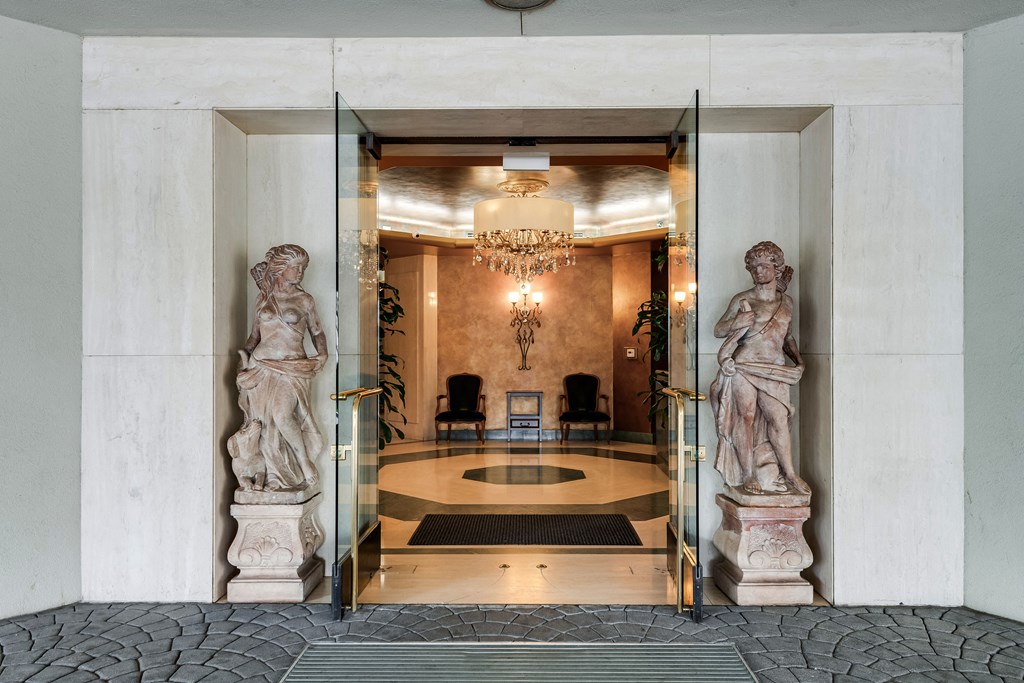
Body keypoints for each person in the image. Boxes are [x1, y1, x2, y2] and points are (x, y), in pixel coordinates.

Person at [709, 241, 810, 496]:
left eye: (763, 266)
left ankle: (789, 473)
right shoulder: (743, 299)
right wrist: (737, 321)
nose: (758, 271)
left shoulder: (787, 302)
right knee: (746, 418)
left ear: (777, 269)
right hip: (744, 366)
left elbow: (787, 337)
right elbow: (718, 329)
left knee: (779, 419)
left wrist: (799, 361)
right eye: (753, 267)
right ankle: (748, 474)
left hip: (774, 369)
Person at [232, 244, 328, 492]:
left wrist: (323, 355)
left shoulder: (305, 300)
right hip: (261, 367)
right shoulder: (264, 298)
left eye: (302, 267)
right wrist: (242, 361)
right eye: (295, 267)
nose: (299, 272)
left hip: (292, 367)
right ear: (280, 269)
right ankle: (275, 476)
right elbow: (254, 337)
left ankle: (304, 462)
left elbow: (317, 332)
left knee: (283, 416)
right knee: (265, 424)